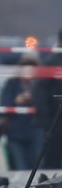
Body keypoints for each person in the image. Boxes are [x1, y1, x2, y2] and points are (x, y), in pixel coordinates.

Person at [0, 55, 44, 170]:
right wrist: (15, 102)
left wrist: (34, 100)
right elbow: (3, 107)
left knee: (37, 165)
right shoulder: (12, 84)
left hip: (36, 130)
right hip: (16, 131)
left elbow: (46, 105)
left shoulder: (41, 85)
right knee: (20, 166)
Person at [32, 28, 62, 168]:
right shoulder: (52, 62)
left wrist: (45, 120)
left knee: (53, 162)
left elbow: (39, 90)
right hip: (55, 119)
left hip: (54, 120)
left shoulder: (51, 61)